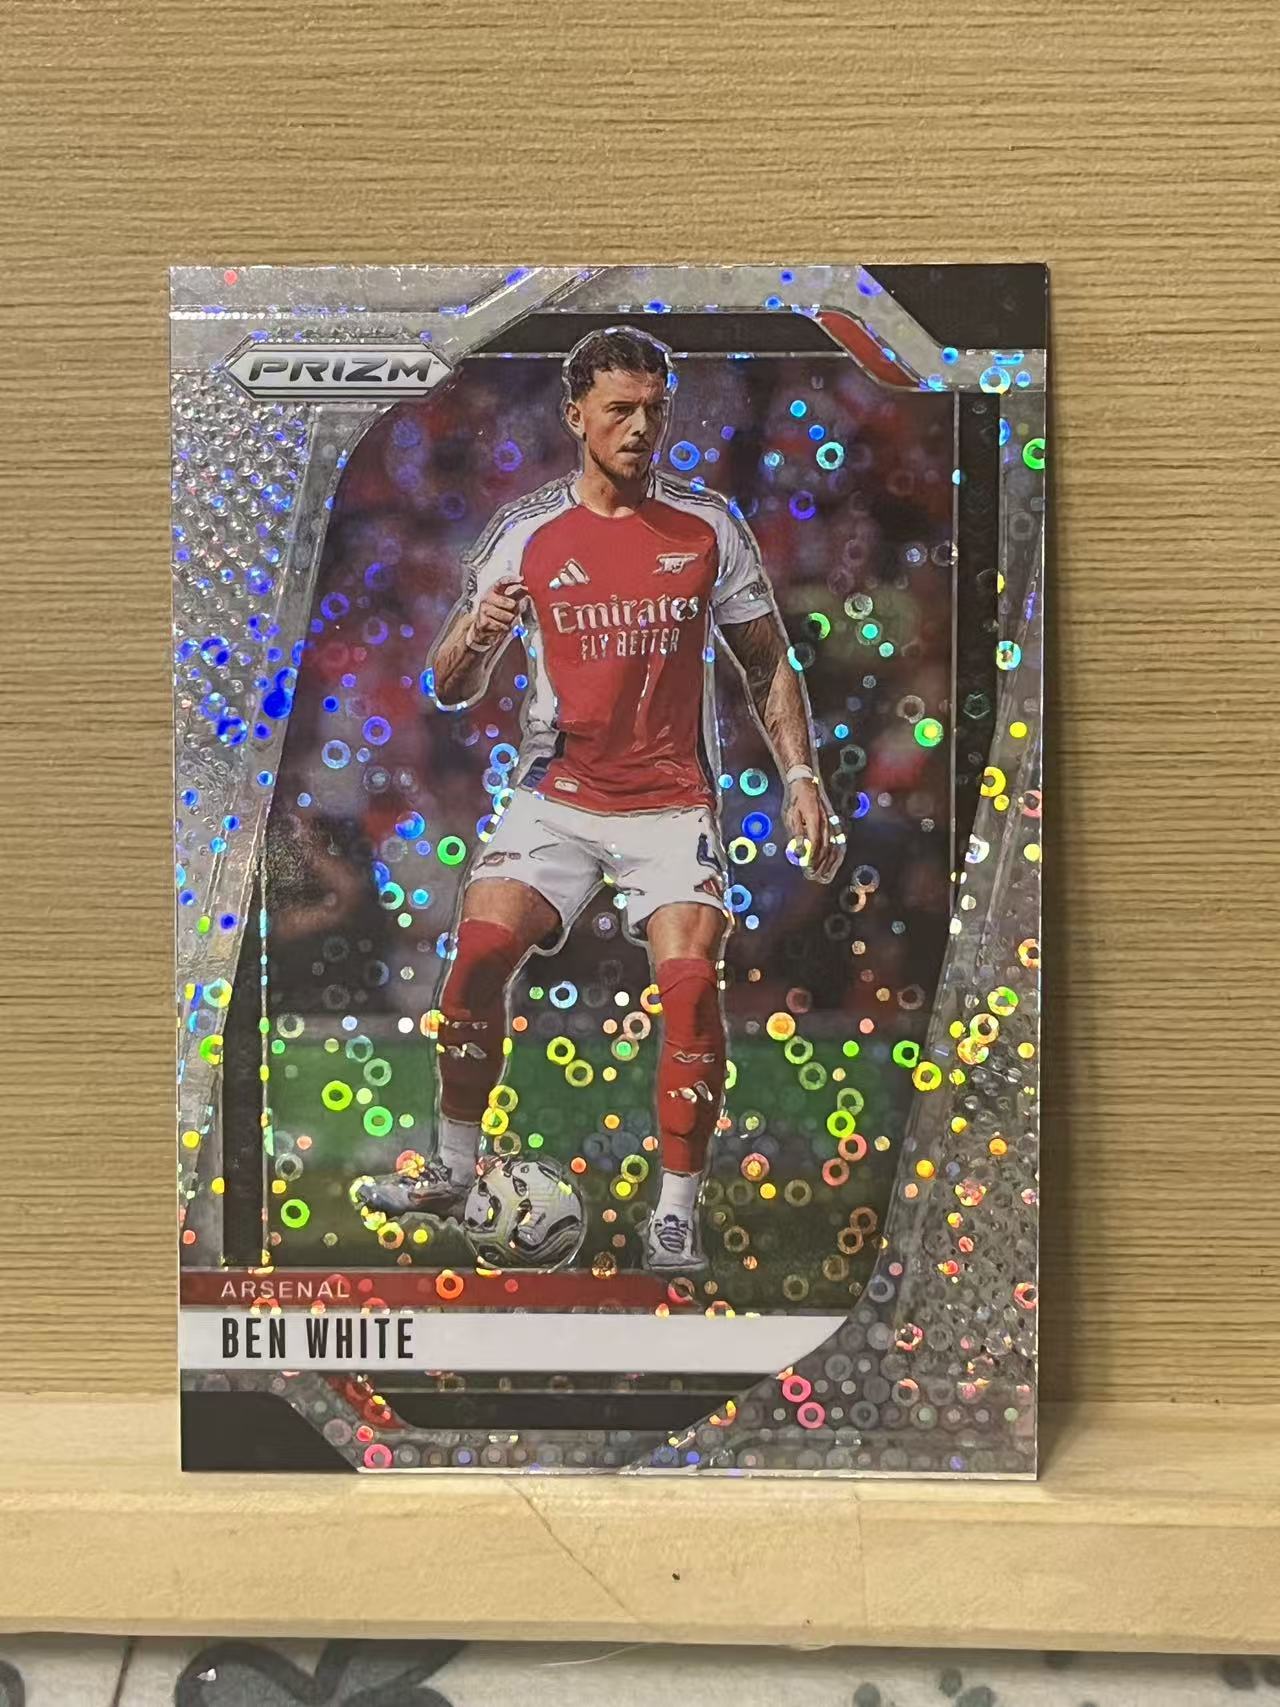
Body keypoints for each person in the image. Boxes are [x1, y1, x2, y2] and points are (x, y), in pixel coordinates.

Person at [356, 326, 844, 1273]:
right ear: (575, 415)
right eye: (620, 409)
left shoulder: (708, 528)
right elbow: (448, 683)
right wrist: (478, 633)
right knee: (478, 954)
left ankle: (675, 1215)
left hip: (671, 805)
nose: (640, 427)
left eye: (655, 409)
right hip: (557, 796)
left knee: (691, 992)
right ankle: (452, 1171)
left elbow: (767, 661)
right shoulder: (525, 532)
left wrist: (801, 776)